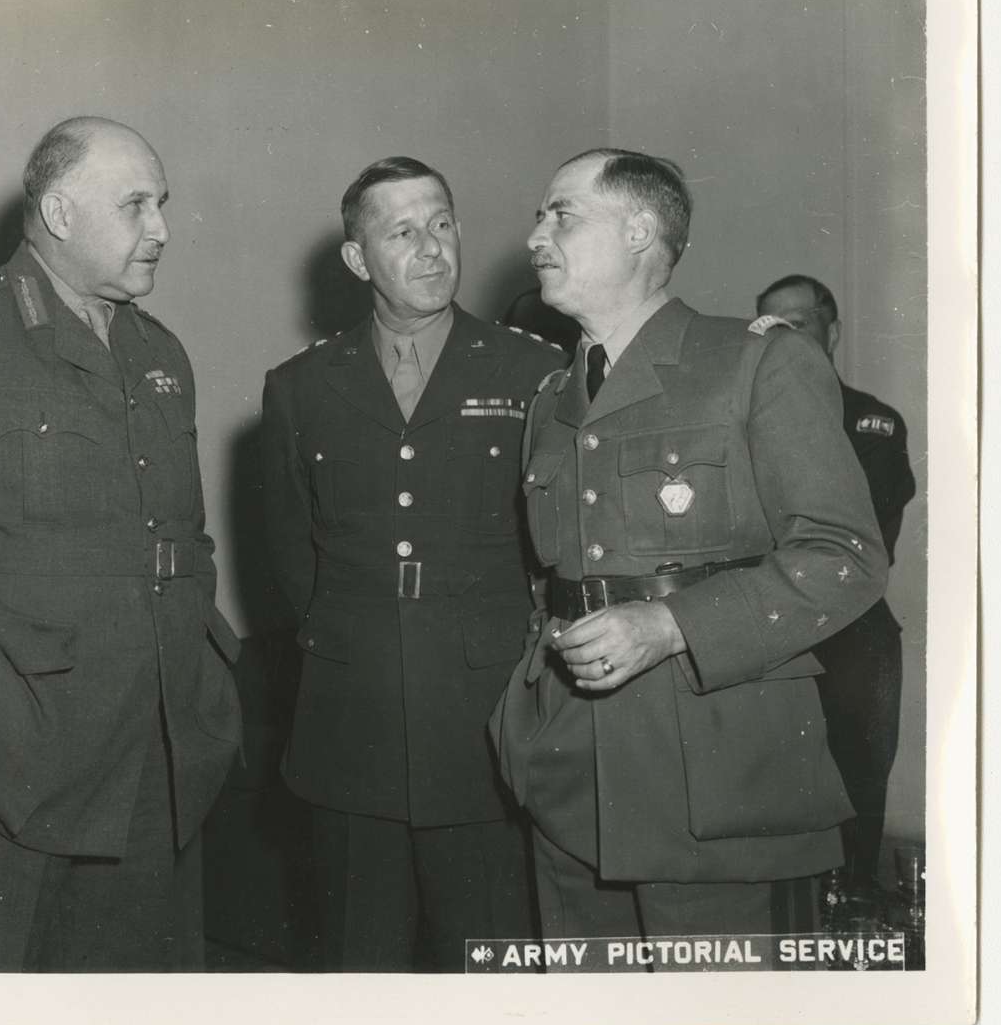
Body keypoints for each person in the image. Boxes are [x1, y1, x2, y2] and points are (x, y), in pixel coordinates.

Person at [489, 148, 889, 945]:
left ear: (640, 230)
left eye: (561, 212)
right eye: (539, 216)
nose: (535, 234)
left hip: (717, 786)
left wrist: (671, 626)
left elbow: (846, 555)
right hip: (570, 776)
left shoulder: (755, 361)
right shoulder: (551, 398)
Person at [0, 117, 241, 971]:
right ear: (60, 213)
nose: (162, 228)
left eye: (163, 205)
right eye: (136, 205)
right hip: (8, 758)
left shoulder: (159, 352)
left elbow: (180, 540)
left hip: (154, 755)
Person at [258, 157, 561, 971]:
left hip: (486, 718)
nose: (432, 249)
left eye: (442, 223)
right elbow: (289, 556)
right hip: (349, 724)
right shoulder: (301, 387)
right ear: (358, 260)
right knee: (360, 966)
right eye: (401, 232)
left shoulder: (533, 372)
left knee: (490, 966)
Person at [755, 273, 917, 894]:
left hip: (850, 631)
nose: (781, 337)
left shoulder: (871, 423)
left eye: (796, 324)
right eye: (768, 326)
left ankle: (852, 908)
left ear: (833, 332)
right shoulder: (743, 416)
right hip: (770, 628)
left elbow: (848, 538)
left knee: (857, 784)